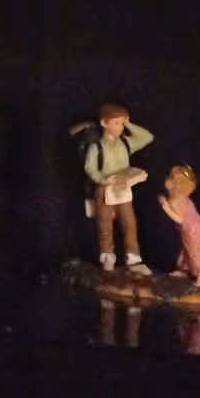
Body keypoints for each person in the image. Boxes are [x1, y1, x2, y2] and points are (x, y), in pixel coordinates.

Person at [78, 102, 153, 275]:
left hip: (123, 189)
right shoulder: (97, 146)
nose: (120, 127)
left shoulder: (125, 143)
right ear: (104, 123)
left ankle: (133, 258)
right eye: (116, 123)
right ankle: (107, 257)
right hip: (105, 190)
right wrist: (103, 180)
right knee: (105, 224)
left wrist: (129, 124)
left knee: (129, 222)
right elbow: (90, 168)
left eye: (122, 123)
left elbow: (147, 137)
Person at [159, 164, 200, 286]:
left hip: (191, 229)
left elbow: (179, 219)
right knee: (186, 251)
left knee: (193, 252)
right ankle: (185, 270)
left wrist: (165, 207)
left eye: (171, 178)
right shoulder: (185, 198)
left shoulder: (174, 201)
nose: (166, 180)